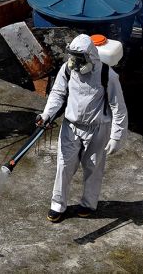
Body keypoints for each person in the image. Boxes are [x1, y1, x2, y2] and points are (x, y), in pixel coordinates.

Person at [36, 33, 128, 222]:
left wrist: (116, 137)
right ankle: (57, 204)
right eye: (73, 57)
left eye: (80, 58)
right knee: (63, 165)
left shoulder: (107, 75)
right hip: (71, 126)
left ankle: (88, 204)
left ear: (90, 56)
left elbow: (119, 108)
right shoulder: (68, 70)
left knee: (93, 168)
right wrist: (46, 115)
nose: (75, 63)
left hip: (97, 128)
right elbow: (57, 93)